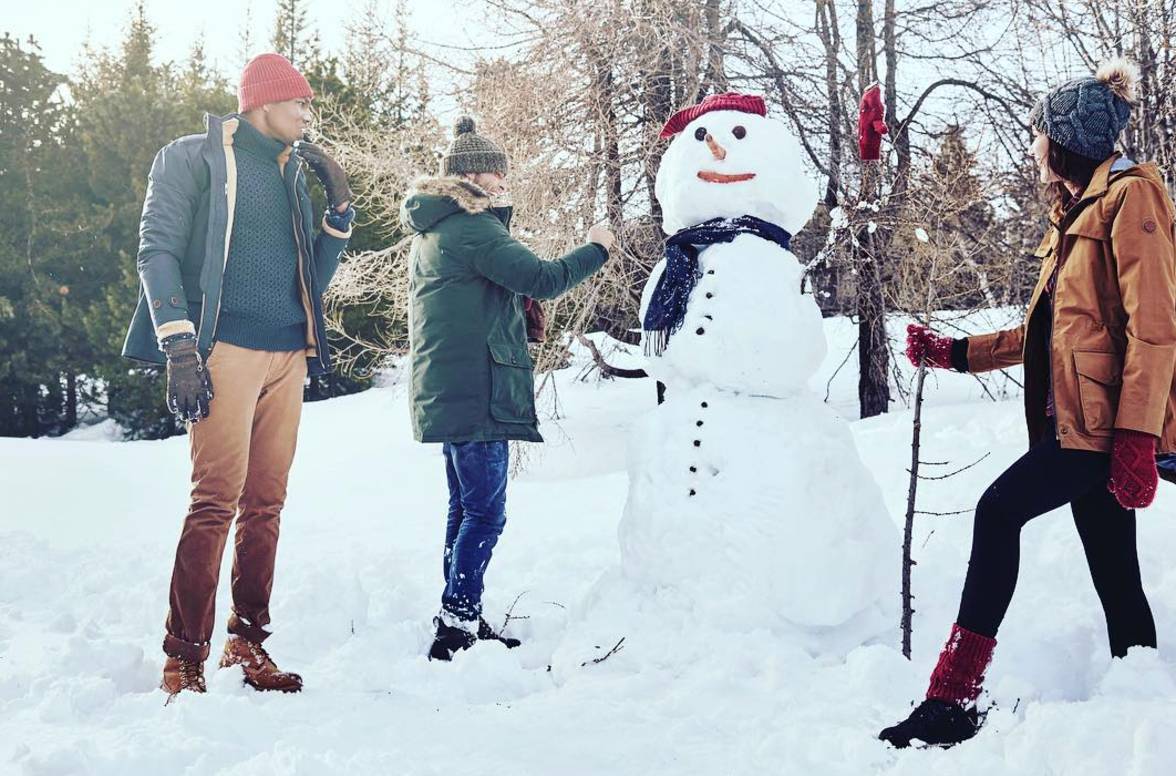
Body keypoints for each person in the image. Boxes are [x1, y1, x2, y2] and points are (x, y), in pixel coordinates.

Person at [879, 58, 1176, 748]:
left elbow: (1157, 326)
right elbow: (1048, 333)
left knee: (998, 511)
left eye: (1038, 135)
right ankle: (1145, 699)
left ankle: (951, 698)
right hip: (1075, 420)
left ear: (1066, 139)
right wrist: (955, 353)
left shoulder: (1134, 200)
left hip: (1099, 428)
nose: (1032, 147)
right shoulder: (1076, 215)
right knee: (1114, 569)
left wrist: (1135, 435)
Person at [122, 53, 355, 700]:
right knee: (214, 502)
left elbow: (311, 277)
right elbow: (157, 248)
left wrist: (337, 215)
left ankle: (247, 641)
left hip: (287, 356)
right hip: (222, 351)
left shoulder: (289, 174)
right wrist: (180, 346)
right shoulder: (192, 157)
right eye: (301, 103)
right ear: (263, 103)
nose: (310, 115)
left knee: (266, 505)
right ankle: (183, 656)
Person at [401, 117, 614, 661]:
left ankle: (460, 613)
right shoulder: (472, 228)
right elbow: (543, 278)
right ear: (473, 176)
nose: (503, 181)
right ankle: (455, 626)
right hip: (477, 389)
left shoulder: (438, 228)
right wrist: (596, 248)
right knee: (486, 514)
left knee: (464, 508)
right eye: (497, 173)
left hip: (453, 388)